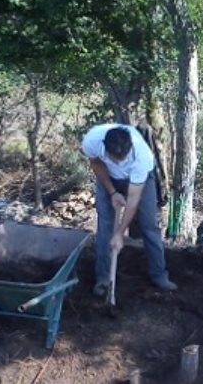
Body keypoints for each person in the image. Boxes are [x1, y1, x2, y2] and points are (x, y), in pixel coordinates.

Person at [81, 123, 177, 295]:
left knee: (149, 225)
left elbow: (133, 199)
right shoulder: (92, 141)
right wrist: (112, 192)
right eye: (114, 159)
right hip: (108, 178)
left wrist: (120, 234)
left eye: (122, 159)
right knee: (105, 225)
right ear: (104, 147)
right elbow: (95, 163)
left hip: (140, 181)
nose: (119, 162)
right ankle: (103, 278)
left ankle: (159, 275)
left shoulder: (143, 156)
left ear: (130, 147)